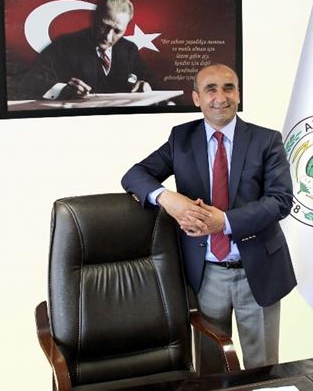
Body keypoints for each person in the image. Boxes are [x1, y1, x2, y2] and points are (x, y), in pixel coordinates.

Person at [121, 64, 296, 372]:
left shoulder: (266, 140)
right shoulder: (181, 139)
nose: (220, 97)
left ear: (238, 94)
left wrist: (224, 222)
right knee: (211, 369)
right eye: (210, 89)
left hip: (258, 271)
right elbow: (135, 175)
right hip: (205, 274)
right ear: (196, 98)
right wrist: (168, 199)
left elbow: (280, 201)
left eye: (228, 88)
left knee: (263, 370)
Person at [11, 0, 152, 100]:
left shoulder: (129, 49)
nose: (108, 37)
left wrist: (145, 85)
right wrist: (63, 90)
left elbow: (152, 81)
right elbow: (30, 80)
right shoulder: (64, 45)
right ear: (94, 19)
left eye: (117, 31)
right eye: (104, 26)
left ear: (126, 29)